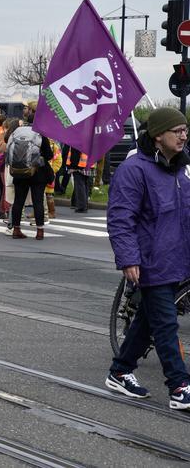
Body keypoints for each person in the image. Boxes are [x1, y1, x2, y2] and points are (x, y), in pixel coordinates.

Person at [106, 107, 190, 408]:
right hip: (149, 261)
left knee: (147, 321)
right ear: (157, 137)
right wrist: (129, 259)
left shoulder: (181, 170)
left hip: (176, 259)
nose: (183, 135)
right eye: (176, 131)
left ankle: (120, 371)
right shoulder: (135, 170)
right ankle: (179, 385)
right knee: (166, 323)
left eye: (185, 130)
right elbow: (120, 218)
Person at [6, 121, 53, 239]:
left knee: (18, 201)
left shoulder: (17, 133)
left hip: (19, 172)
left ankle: (16, 230)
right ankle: (39, 232)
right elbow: (49, 155)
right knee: (38, 202)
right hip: (38, 173)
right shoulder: (40, 135)